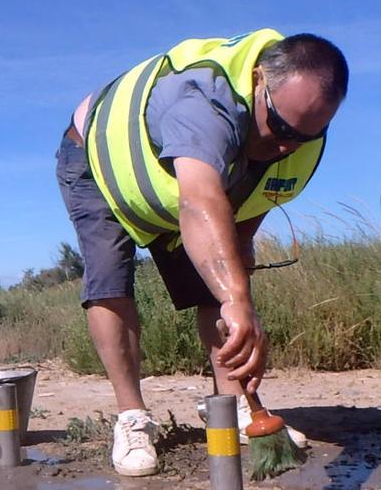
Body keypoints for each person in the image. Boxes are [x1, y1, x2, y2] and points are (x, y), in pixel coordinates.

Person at [56, 29, 348, 476]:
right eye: (282, 128)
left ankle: (234, 406)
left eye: (306, 135)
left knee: (224, 282)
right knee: (110, 278)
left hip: (187, 183)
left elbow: (242, 222)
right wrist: (237, 299)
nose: (288, 145)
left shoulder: (295, 140)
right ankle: (132, 417)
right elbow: (198, 202)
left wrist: (235, 291)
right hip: (97, 161)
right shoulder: (201, 100)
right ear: (257, 82)